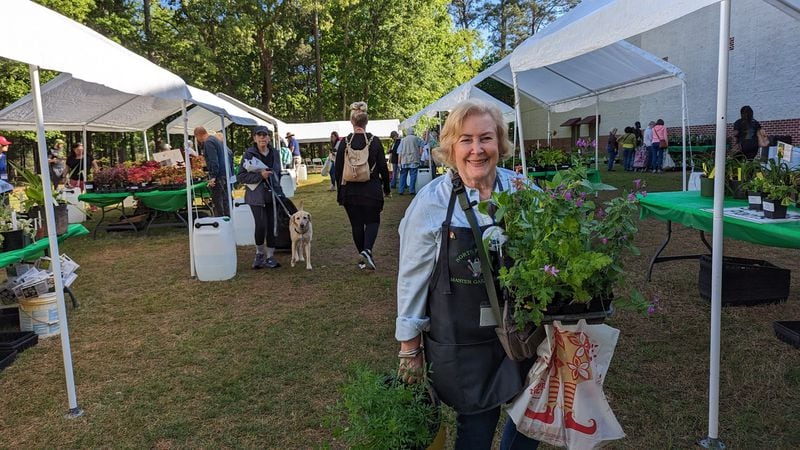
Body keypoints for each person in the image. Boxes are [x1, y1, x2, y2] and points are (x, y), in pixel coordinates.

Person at [396, 99, 540, 449]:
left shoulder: (524, 193)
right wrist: (409, 347)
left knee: (532, 419)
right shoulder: (431, 203)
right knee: (476, 427)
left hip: (525, 333)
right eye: (466, 139)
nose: (477, 149)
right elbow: (412, 278)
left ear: (500, 144)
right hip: (465, 341)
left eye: (486, 138)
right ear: (450, 148)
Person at [334, 101, 390, 271]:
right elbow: (382, 167)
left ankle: (363, 256)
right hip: (371, 189)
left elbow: (337, 169)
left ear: (352, 122)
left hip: (349, 190)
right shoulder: (374, 141)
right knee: (373, 221)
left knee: (356, 224)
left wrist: (339, 191)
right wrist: (386, 188)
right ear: (366, 122)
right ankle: (366, 251)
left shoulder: (344, 142)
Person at [237, 126, 283, 269]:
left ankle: (270, 256)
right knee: (261, 225)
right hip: (256, 195)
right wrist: (260, 176)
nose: (262, 138)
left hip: (272, 195)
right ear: (254, 138)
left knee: (272, 225)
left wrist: (276, 185)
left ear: (269, 138)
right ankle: (259, 253)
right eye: (259, 135)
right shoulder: (248, 155)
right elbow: (241, 176)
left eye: (265, 135)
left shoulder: (275, 153)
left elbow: (278, 172)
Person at [194, 126, 229, 217]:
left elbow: (214, 161)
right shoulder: (214, 139)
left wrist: (213, 177)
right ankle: (227, 220)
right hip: (223, 174)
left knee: (218, 201)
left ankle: (220, 220)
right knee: (224, 201)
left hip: (218, 176)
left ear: (198, 136)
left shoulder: (208, 143)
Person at [397, 128, 424, 195]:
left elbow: (399, 151)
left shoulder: (403, 140)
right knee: (413, 176)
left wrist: (399, 162)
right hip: (414, 159)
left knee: (403, 176)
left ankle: (401, 190)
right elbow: (423, 144)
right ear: (413, 132)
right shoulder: (416, 138)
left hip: (404, 160)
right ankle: (411, 190)